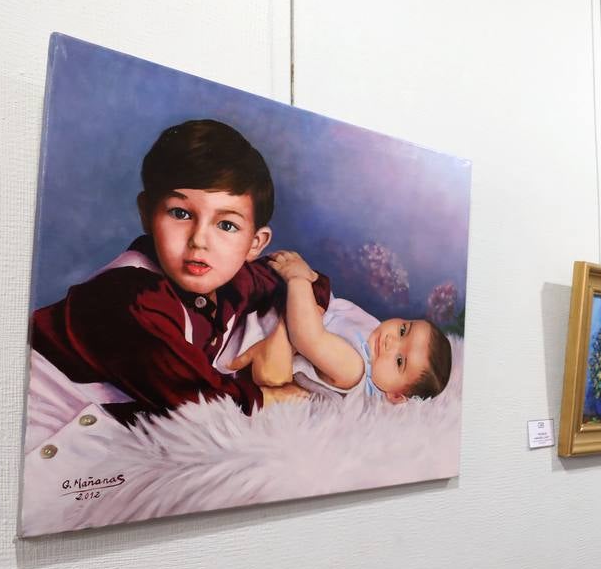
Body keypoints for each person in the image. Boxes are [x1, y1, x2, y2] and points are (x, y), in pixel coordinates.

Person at [26, 119, 316, 449]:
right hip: (34, 424)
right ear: (147, 213)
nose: (199, 240)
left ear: (255, 243)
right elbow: (199, 404)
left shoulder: (231, 277)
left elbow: (308, 281)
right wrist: (276, 397)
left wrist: (279, 339)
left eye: (226, 224)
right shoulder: (127, 296)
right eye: (180, 214)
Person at [229, 249, 452, 403]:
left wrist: (299, 279)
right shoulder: (375, 333)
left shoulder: (354, 368)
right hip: (295, 308)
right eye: (403, 330)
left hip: (269, 333)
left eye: (400, 361)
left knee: (238, 293)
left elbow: (308, 337)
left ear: (395, 395)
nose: (391, 341)